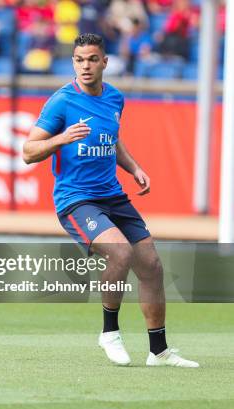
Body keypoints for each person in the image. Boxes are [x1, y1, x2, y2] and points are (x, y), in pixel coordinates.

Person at [22, 33, 199, 368]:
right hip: (76, 199)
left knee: (152, 266)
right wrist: (62, 138)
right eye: (78, 59)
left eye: (91, 59)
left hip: (113, 195)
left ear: (105, 62)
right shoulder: (62, 101)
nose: (85, 66)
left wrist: (134, 168)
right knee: (120, 252)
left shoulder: (115, 98)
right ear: (72, 62)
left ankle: (158, 351)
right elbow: (28, 152)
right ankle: (109, 333)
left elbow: (112, 140)